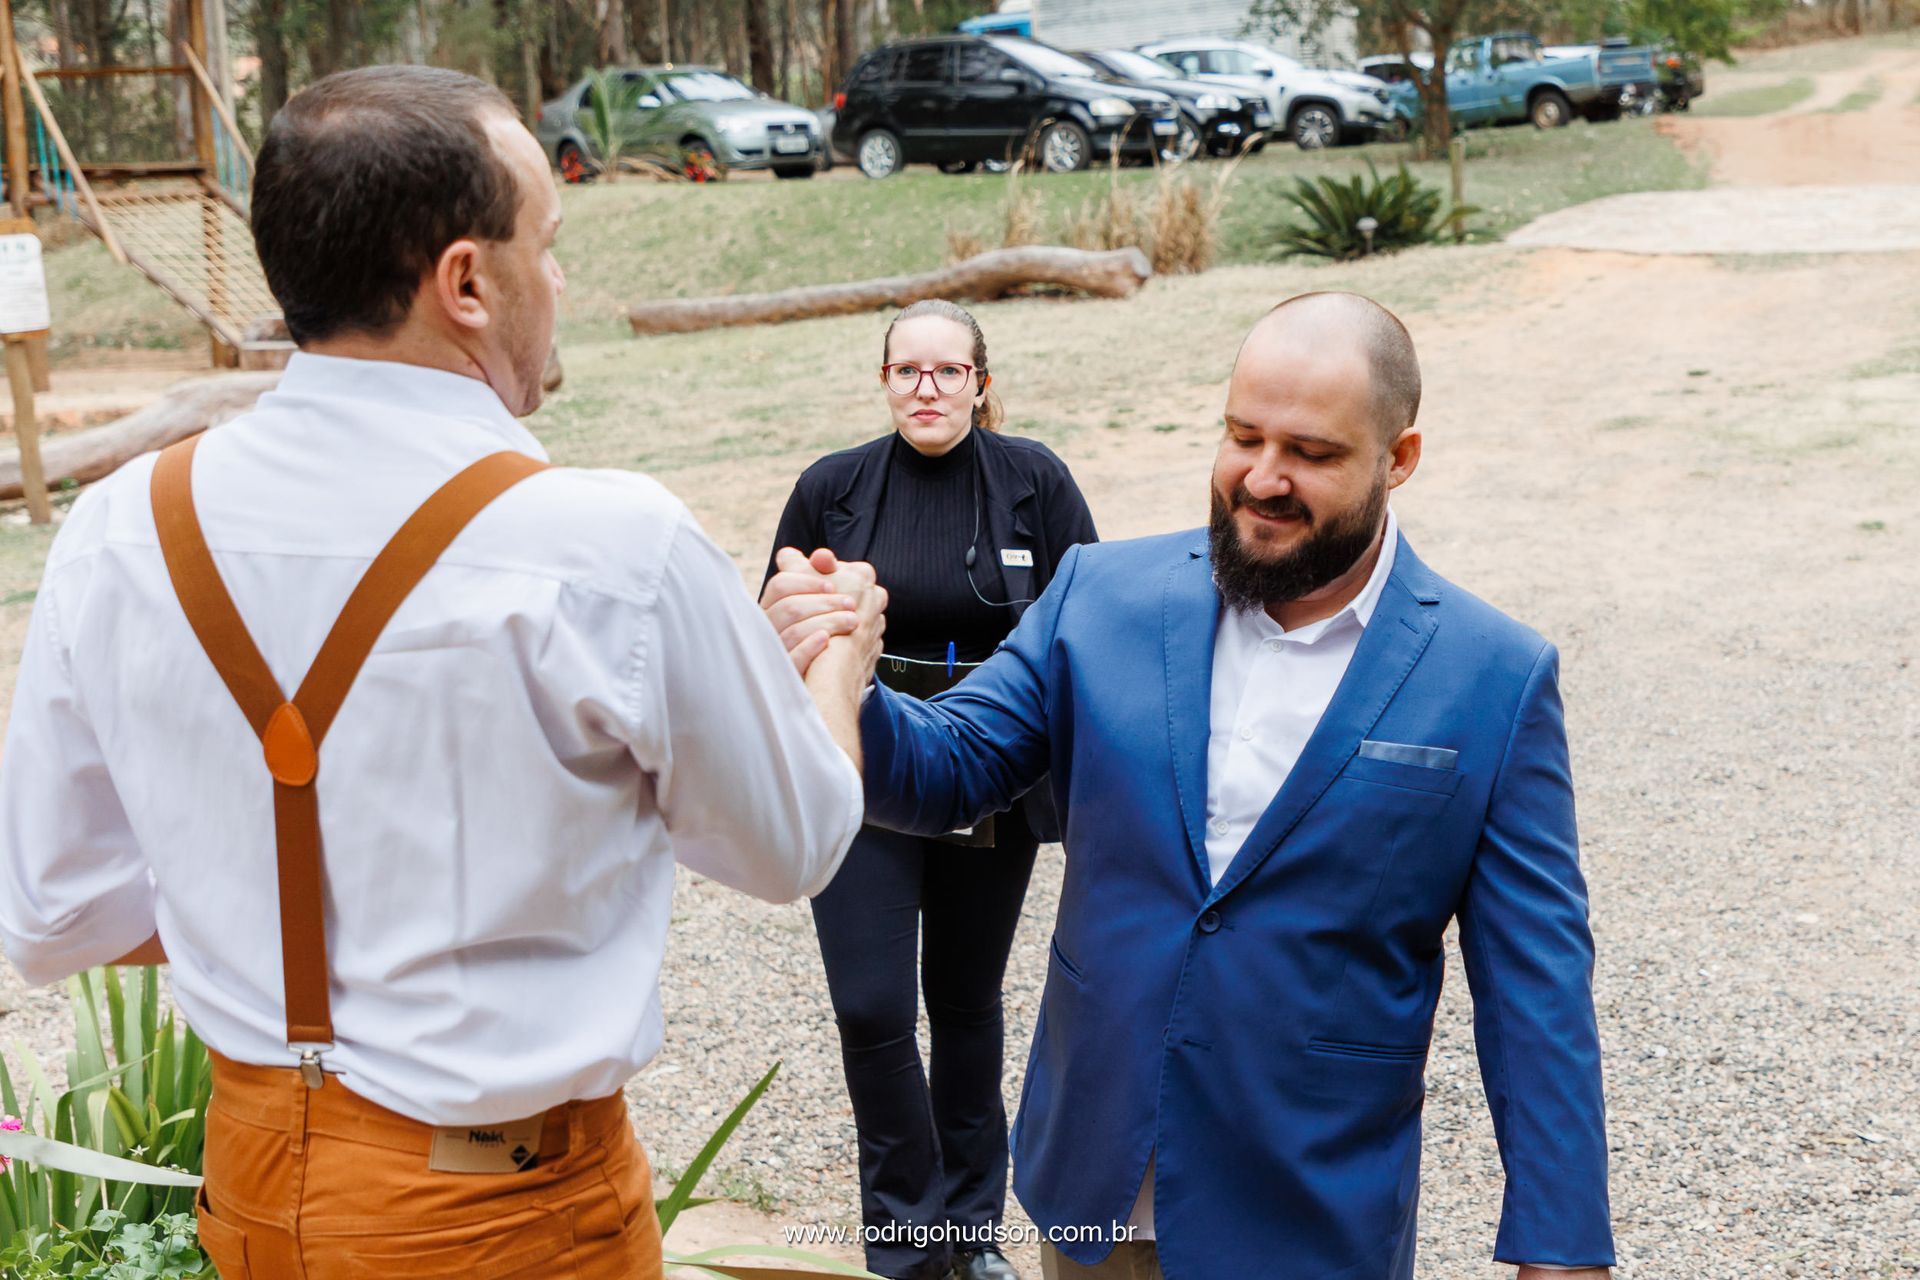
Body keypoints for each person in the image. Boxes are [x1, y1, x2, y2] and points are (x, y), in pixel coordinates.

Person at [0, 66, 884, 1278]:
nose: (559, 283)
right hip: (507, 1210)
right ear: (467, 281)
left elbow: (52, 910)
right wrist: (833, 662)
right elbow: (795, 843)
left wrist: (272, 918)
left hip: (255, 1181)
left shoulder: (116, 529)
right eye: (549, 245)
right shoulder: (607, 546)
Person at [764, 292, 1614, 1280]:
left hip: (1307, 1212)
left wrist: (1560, 1247)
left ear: (1400, 458)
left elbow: (1537, 986)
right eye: (1242, 435)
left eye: (1311, 452)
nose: (1262, 477)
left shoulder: (1492, 677)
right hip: (1091, 1201)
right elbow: (948, 768)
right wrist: (842, 671)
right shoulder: (1098, 596)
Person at [763, 300, 1096, 1280]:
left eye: (949, 371)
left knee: (963, 997)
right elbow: (776, 624)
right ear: (884, 379)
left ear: (980, 381)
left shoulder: (1035, 481)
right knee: (871, 1005)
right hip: (862, 761)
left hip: (989, 770)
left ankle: (970, 1223)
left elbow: (1086, 621)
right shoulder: (833, 488)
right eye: (909, 370)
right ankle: (908, 1236)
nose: (928, 388)